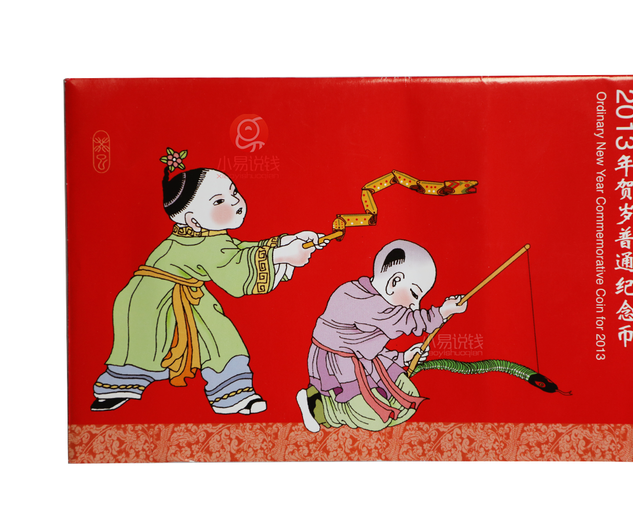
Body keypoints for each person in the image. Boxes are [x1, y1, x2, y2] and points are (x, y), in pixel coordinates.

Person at [92, 148, 326, 415]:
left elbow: (238, 251)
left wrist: (286, 242)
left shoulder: (200, 236)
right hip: (153, 303)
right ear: (192, 220)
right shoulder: (201, 245)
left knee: (207, 340)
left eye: (234, 192)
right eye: (219, 201)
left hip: (170, 297)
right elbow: (235, 267)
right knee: (201, 341)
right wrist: (281, 255)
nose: (235, 201)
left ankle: (231, 394)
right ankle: (229, 395)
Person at [296, 239, 466, 432]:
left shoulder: (375, 302)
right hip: (340, 365)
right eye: (414, 294)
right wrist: (442, 312)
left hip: (366, 359)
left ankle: (371, 405)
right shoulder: (363, 301)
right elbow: (408, 321)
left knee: (408, 399)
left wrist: (403, 357)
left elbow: (370, 347)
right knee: (376, 421)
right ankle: (316, 406)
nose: (415, 305)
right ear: (394, 282)